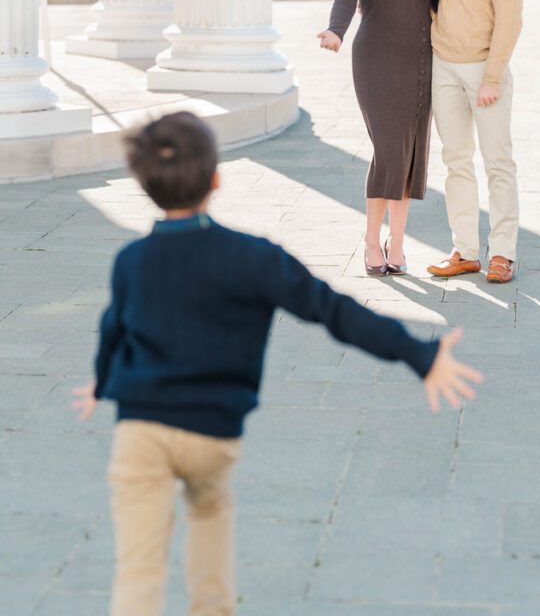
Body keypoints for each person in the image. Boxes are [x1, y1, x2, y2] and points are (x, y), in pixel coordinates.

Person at [72, 111, 483, 616]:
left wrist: (101, 384)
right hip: (212, 434)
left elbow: (114, 329)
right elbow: (333, 311)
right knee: (210, 534)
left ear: (145, 185)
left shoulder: (131, 261)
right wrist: (419, 354)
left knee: (138, 571)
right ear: (216, 179)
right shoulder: (254, 257)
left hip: (141, 430)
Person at [317, 0, 443, 274]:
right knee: (389, 153)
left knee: (408, 159)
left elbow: (447, 8)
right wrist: (336, 30)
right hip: (375, 62)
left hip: (421, 64)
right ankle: (372, 240)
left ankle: (397, 244)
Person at [427, 0, 524, 284]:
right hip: (443, 67)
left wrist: (493, 76)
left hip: (485, 71)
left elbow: (510, 18)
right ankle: (465, 251)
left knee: (498, 162)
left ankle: (502, 253)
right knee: (456, 162)